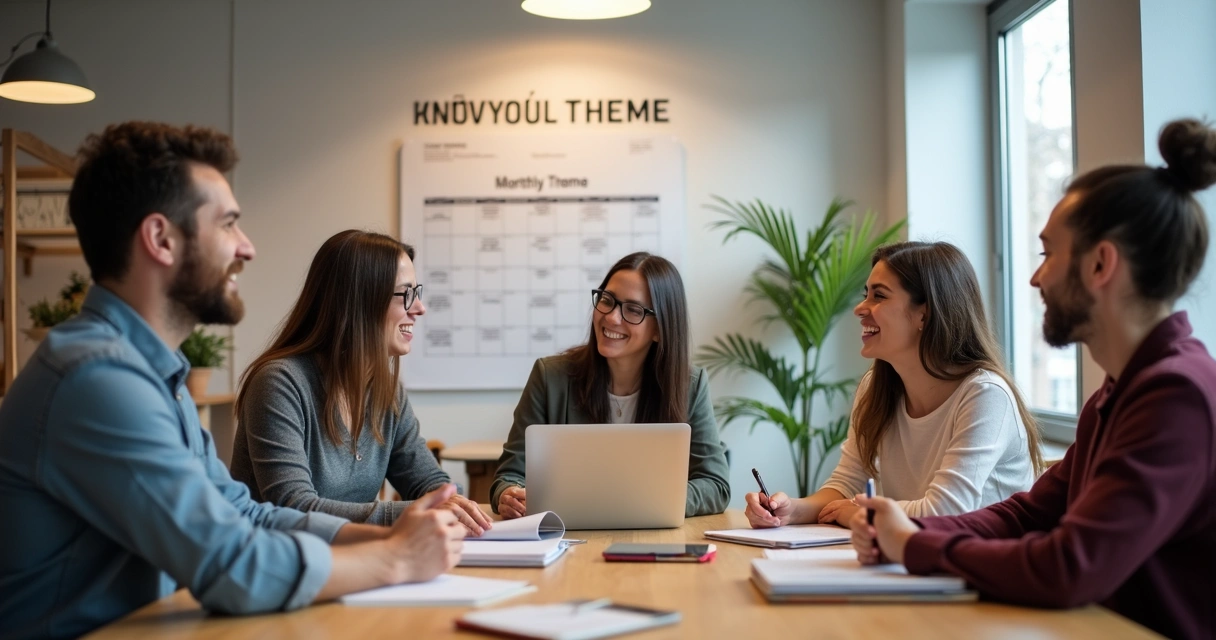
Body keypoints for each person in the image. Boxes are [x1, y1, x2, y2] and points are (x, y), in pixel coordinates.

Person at [0, 122, 465, 639]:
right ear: (161, 239)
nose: (247, 248)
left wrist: (385, 536)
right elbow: (231, 567)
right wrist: (395, 559)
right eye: (227, 225)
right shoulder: (96, 378)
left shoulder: (155, 375)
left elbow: (245, 513)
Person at [850, 118, 1216, 640]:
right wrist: (911, 529)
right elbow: (1030, 514)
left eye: (1047, 254)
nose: (1035, 277)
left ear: (1100, 264)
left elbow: (1070, 567)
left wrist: (914, 545)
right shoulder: (1114, 394)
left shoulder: (1176, 395)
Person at [745, 241, 1043, 529]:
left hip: (980, 572)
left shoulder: (985, 395)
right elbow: (847, 483)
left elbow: (945, 512)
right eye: (867, 294)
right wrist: (789, 510)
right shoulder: (875, 386)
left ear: (924, 314)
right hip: (918, 562)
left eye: (879, 296)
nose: (861, 308)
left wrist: (859, 514)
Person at [231, 230, 493, 535]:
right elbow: (293, 506)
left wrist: (453, 502)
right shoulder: (279, 384)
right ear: (360, 301)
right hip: (282, 569)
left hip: (354, 562)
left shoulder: (386, 391)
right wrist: (415, 511)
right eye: (406, 293)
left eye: (417, 292)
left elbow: (428, 483)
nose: (419, 308)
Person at [491, 251, 730, 518]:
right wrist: (508, 494)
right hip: (566, 538)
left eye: (633, 309)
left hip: (653, 537)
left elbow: (715, 485)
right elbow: (510, 475)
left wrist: (660, 502)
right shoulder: (549, 377)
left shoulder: (689, 386)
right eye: (607, 300)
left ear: (659, 330)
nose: (612, 317)